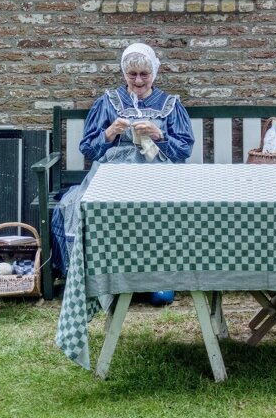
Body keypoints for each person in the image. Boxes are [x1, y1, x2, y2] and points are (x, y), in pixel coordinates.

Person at [50, 42, 194, 285]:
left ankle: (157, 277)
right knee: (79, 206)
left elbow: (184, 150)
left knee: (159, 208)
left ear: (154, 73)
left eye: (144, 74)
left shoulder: (169, 105)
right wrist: (110, 133)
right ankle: (100, 277)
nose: (138, 81)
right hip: (112, 175)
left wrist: (159, 135)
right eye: (132, 74)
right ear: (124, 73)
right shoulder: (108, 102)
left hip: (156, 174)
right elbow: (88, 148)